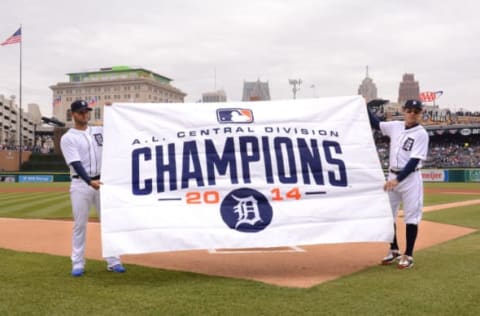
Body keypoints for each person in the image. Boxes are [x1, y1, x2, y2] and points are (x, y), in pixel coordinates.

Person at [60, 100, 126, 277]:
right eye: (81, 112)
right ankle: (78, 263)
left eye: (86, 111)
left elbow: (118, 127)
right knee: (80, 225)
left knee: (108, 222)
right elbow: (75, 163)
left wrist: (114, 109)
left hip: (102, 181)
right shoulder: (68, 138)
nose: (85, 114)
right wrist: (89, 181)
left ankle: (114, 261)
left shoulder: (99, 131)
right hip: (81, 184)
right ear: (73, 114)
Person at [367, 99, 429, 269]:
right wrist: (363, 105)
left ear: (420, 113)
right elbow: (376, 124)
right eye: (409, 110)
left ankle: (408, 254)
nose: (412, 113)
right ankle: (393, 249)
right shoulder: (395, 126)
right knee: (388, 215)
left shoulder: (421, 134)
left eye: (416, 111)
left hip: (410, 179)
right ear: (403, 110)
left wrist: (397, 180)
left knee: (411, 217)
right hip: (393, 175)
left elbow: (414, 161)